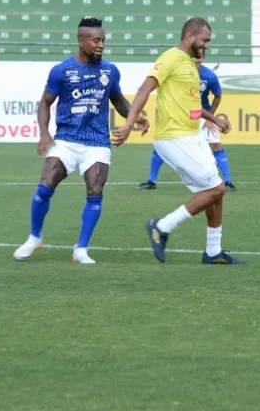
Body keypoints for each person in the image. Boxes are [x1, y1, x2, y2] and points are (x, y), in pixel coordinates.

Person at [13, 17, 148, 265]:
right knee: (45, 186)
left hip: (97, 142)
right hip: (66, 139)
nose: (101, 45)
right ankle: (34, 237)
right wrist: (44, 133)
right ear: (81, 40)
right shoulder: (62, 71)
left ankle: (81, 249)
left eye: (103, 40)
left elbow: (118, 100)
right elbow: (45, 102)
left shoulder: (110, 71)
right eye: (96, 40)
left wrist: (134, 117)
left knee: (95, 191)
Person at [112, 18, 241, 265]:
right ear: (190, 36)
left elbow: (192, 106)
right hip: (173, 137)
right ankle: (161, 227)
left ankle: (213, 251)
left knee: (215, 192)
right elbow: (143, 89)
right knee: (217, 188)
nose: (207, 46)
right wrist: (129, 123)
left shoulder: (191, 65)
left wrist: (214, 119)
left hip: (193, 135)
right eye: (205, 40)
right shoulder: (171, 57)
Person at [140, 52, 235, 191]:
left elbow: (218, 96)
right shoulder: (180, 72)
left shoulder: (209, 76)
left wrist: (211, 118)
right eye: (195, 57)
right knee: (163, 146)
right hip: (182, 114)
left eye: (200, 57)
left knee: (215, 145)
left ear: (203, 58)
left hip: (204, 115)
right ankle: (151, 180)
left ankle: (227, 181)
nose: (197, 59)